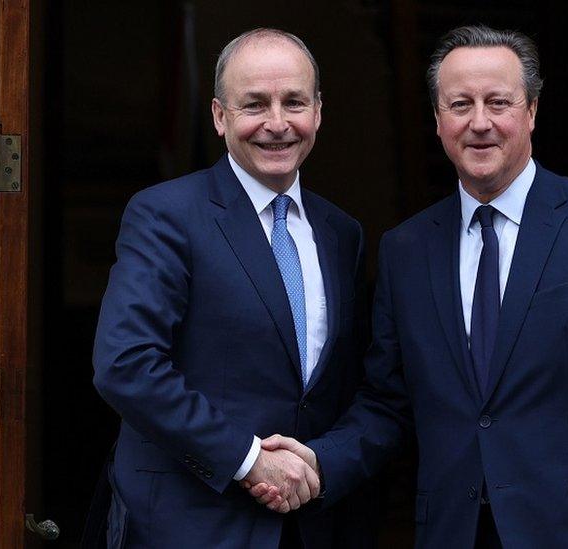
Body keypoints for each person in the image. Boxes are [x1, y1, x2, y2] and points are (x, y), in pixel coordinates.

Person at [251, 24, 568, 548]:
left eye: (499, 102)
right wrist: (319, 460)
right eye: (460, 104)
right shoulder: (406, 249)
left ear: (532, 111)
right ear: (439, 120)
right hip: (455, 531)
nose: (480, 123)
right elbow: (388, 403)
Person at [92, 28, 371, 548]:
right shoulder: (166, 215)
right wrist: (249, 460)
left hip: (310, 525)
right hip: (191, 524)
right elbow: (126, 365)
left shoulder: (342, 234)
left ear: (319, 112)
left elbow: (345, 388)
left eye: (294, 102)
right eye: (254, 105)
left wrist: (322, 464)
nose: (277, 124)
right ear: (220, 117)